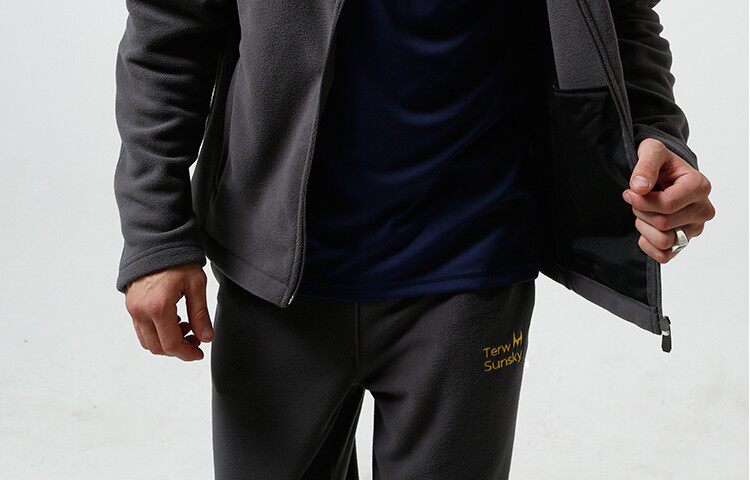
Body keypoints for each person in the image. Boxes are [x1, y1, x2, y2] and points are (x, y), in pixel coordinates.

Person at [114, 0, 715, 478]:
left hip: (472, 275)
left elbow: (619, 17)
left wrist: (655, 136)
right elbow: (170, 33)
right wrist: (156, 232)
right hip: (273, 275)